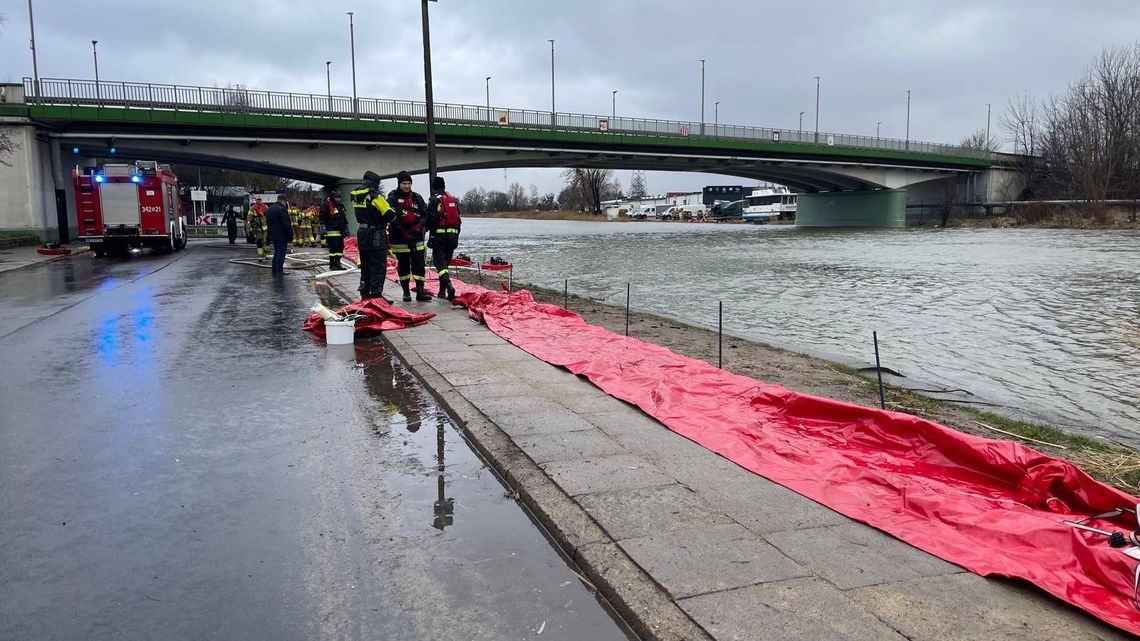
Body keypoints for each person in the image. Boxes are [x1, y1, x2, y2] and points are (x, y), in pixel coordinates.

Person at [387, 171, 432, 302]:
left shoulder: (417, 197)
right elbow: (391, 217)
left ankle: (420, 292)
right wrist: (403, 232)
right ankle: (406, 292)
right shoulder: (393, 198)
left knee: (419, 265)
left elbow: (425, 214)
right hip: (400, 238)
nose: (406, 186)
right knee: (404, 266)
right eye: (404, 183)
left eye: (408, 183)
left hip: (416, 236)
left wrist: (418, 227)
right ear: (399, 184)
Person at [351, 171, 396, 301]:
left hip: (362, 233)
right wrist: (392, 208)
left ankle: (364, 292)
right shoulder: (375, 196)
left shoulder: (355, 195)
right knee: (378, 265)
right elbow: (390, 216)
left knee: (365, 264)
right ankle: (376, 295)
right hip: (375, 234)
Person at [425, 175, 461, 300]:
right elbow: (458, 220)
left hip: (440, 237)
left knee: (440, 264)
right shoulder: (452, 200)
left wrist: (432, 236)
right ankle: (441, 292)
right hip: (452, 236)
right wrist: (456, 237)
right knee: (445, 263)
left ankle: (449, 285)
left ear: (434, 187)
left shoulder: (434, 200)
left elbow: (432, 219)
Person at [319, 190, 349, 271]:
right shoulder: (327, 204)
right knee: (333, 248)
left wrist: (346, 227)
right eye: (337, 197)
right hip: (331, 229)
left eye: (339, 197)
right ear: (333, 197)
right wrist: (323, 226)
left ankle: (338, 263)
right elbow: (322, 216)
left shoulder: (340, 205)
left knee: (340, 247)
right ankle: (332, 265)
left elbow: (343, 216)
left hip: (340, 230)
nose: (338, 199)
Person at [266, 195, 293, 275]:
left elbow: (268, 222)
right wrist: (290, 235)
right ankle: (279, 270)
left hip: (273, 234)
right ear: (283, 201)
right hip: (281, 235)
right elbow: (286, 224)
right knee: (281, 253)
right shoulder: (282, 209)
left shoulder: (270, 208)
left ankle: (274, 269)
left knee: (276, 252)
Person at [246, 195, 269, 262]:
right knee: (259, 241)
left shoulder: (265, 207)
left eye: (260, 199)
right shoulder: (252, 208)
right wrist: (249, 227)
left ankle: (266, 254)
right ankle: (260, 256)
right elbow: (249, 218)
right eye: (258, 199)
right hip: (257, 227)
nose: (259, 200)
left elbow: (269, 216)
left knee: (266, 241)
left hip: (265, 227)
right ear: (255, 200)